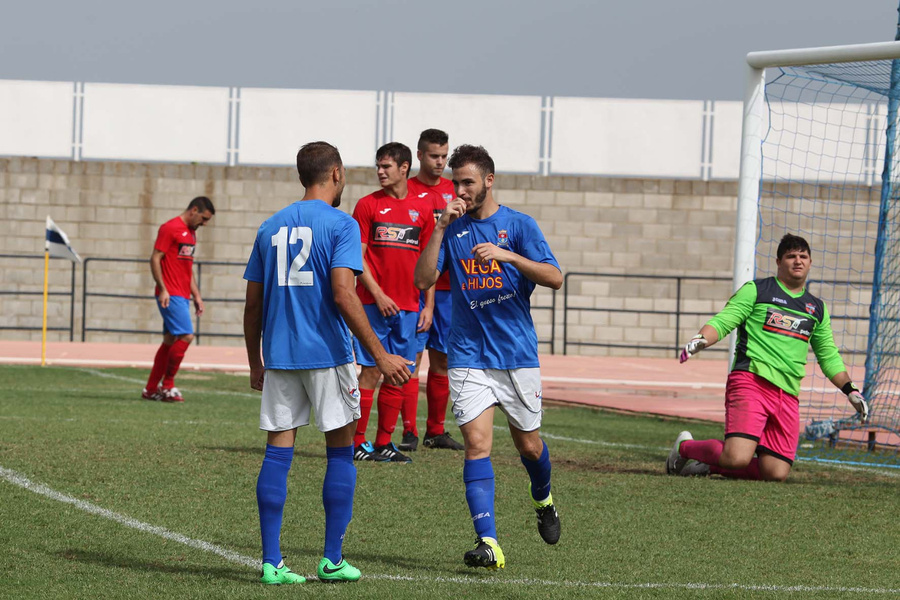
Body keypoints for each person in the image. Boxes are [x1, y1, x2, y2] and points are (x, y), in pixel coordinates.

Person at [243, 141, 412, 585]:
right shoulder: (341, 224)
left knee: (277, 455)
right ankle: (332, 559)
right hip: (328, 356)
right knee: (340, 452)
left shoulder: (269, 226)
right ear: (335, 173)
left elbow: (252, 307)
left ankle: (272, 562)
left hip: (280, 357)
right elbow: (343, 293)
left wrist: (254, 363)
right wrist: (380, 354)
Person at [414, 144, 563, 570]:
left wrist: (509, 256)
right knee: (476, 446)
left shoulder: (518, 225)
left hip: (516, 354)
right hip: (466, 354)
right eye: (455, 182)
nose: (459, 190)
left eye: (468, 182)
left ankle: (544, 499)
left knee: (529, 446)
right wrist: (440, 227)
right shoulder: (452, 228)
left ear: (489, 181)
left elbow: (554, 277)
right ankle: (489, 543)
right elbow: (422, 278)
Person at [669, 233, 869, 481]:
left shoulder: (817, 308)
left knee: (775, 473)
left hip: (788, 394)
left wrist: (850, 389)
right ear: (778, 262)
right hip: (751, 381)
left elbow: (828, 355)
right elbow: (724, 320)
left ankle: (709, 465)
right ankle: (683, 448)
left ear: (810, 262)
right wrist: (701, 338)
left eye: (803, 256)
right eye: (791, 256)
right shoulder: (757, 290)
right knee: (737, 458)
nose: (798, 261)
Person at [351, 142, 436, 463]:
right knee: (371, 371)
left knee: (400, 373)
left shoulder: (423, 209)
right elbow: (357, 259)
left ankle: (384, 442)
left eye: (386, 166)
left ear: (404, 168)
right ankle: (357, 444)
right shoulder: (367, 205)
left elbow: (428, 263)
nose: (380, 172)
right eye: (378, 166)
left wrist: (428, 306)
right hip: (374, 305)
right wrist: (378, 294)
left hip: (410, 308)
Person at [400, 128, 464, 452]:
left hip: (450, 288)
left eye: (444, 156)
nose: (440, 162)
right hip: (417, 287)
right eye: (434, 156)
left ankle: (435, 431)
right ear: (420, 155)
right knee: (413, 358)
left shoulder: (456, 191)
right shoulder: (405, 190)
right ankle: (408, 431)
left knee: (442, 360)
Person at [142, 196, 215, 403]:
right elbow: (155, 257)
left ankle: (150, 389)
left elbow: (187, 268)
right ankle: (167, 386)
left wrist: (197, 295)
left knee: (169, 341)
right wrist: (163, 289)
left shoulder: (191, 234)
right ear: (194, 210)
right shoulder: (170, 228)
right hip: (170, 294)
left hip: (182, 294)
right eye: (204, 218)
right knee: (186, 336)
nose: (205, 223)